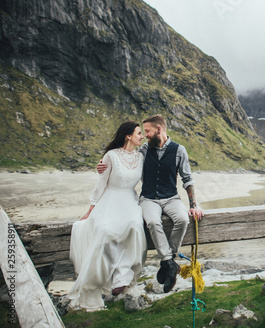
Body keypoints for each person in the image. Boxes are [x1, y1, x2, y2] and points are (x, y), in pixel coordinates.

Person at [97, 114, 203, 293]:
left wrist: (194, 205)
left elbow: (187, 179)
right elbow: (124, 158)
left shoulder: (179, 150)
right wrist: (103, 164)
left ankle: (167, 261)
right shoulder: (144, 150)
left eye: (147, 131)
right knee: (153, 222)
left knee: (183, 219)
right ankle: (169, 263)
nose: (145, 135)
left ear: (159, 130)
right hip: (149, 198)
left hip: (171, 198)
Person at [68, 121, 147, 311]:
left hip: (130, 199)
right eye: (138, 133)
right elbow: (100, 184)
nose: (142, 136)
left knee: (135, 225)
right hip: (110, 198)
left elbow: (147, 181)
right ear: (128, 135)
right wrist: (90, 209)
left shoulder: (141, 157)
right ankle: (104, 278)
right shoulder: (110, 156)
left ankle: (122, 275)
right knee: (104, 230)